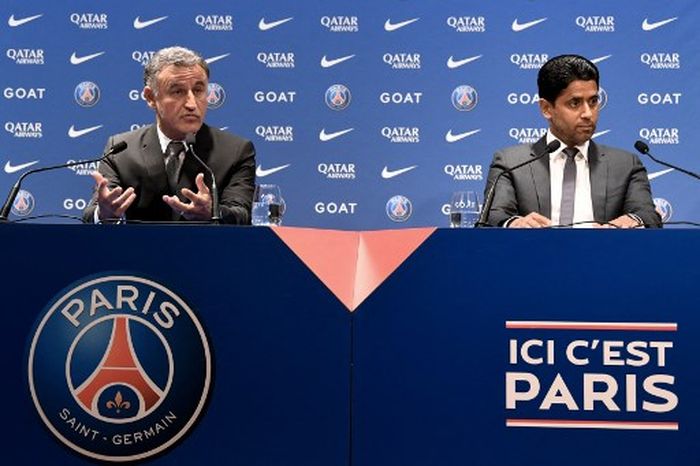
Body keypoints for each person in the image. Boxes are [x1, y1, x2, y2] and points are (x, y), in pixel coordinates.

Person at [482, 54, 661, 228]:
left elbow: (648, 215)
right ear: (546, 108)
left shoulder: (626, 165)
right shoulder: (511, 163)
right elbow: (494, 216)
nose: (588, 114)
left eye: (593, 101)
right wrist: (515, 223)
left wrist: (632, 220)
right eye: (575, 103)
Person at [83, 46, 255, 224]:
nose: (191, 103)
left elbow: (242, 214)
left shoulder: (235, 151)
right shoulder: (121, 150)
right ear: (151, 98)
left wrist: (213, 212)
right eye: (178, 91)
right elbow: (91, 214)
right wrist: (104, 214)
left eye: (198, 90)